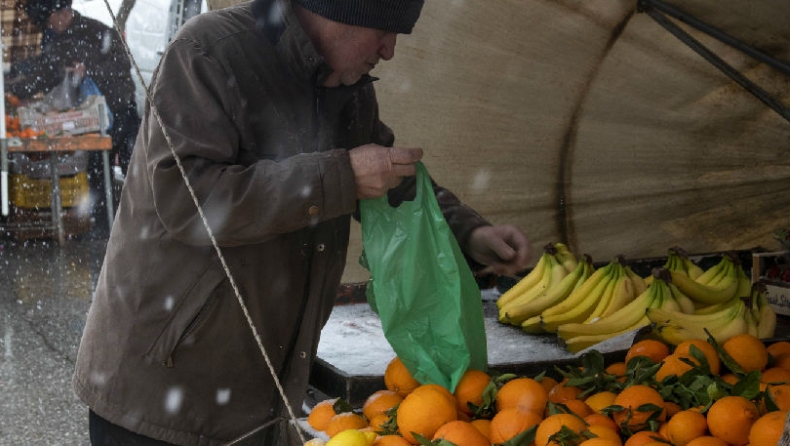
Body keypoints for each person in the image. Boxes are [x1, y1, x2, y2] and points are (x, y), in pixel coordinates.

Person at [73, 0, 531, 445]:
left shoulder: (344, 85)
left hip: (258, 394)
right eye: (384, 31)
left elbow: (390, 178)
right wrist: (340, 176)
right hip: (162, 393)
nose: (389, 50)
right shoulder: (209, 52)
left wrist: (470, 232)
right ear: (338, 11)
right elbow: (191, 201)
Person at [7, 0, 140, 226]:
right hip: (113, 112)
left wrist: (10, 87)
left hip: (115, 112)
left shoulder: (79, 37)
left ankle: (115, 230)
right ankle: (127, 228)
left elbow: (44, 74)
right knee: (123, 176)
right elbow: (44, 67)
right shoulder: (89, 31)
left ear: (61, 15)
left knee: (116, 175)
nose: (49, 28)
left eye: (49, 22)